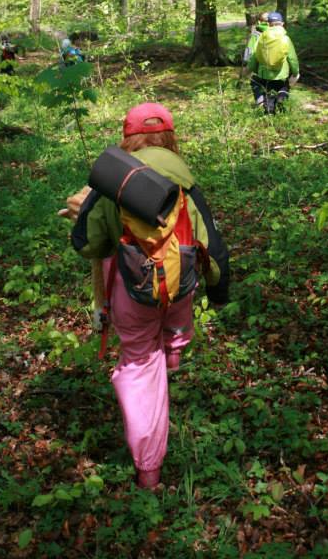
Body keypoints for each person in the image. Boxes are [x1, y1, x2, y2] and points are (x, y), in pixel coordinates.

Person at [58, 102, 229, 490]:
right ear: (170, 137)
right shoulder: (186, 183)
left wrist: (84, 215)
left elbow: (91, 246)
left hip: (132, 295)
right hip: (179, 287)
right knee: (174, 307)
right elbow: (213, 247)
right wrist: (219, 291)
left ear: (127, 137)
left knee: (138, 365)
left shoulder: (115, 183)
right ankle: (173, 354)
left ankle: (149, 469)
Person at [247, 11, 299, 114]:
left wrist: (255, 70)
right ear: (282, 24)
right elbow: (292, 59)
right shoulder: (286, 39)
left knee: (268, 93)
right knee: (284, 86)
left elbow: (254, 59)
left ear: (269, 24)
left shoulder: (261, 38)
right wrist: (295, 73)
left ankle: (268, 112)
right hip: (282, 75)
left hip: (265, 75)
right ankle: (282, 98)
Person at [243, 11, 270, 104]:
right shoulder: (279, 33)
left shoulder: (256, 35)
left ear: (259, 22)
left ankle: (260, 103)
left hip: (260, 67)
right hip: (278, 66)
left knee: (255, 82)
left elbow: (249, 53)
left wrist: (247, 63)